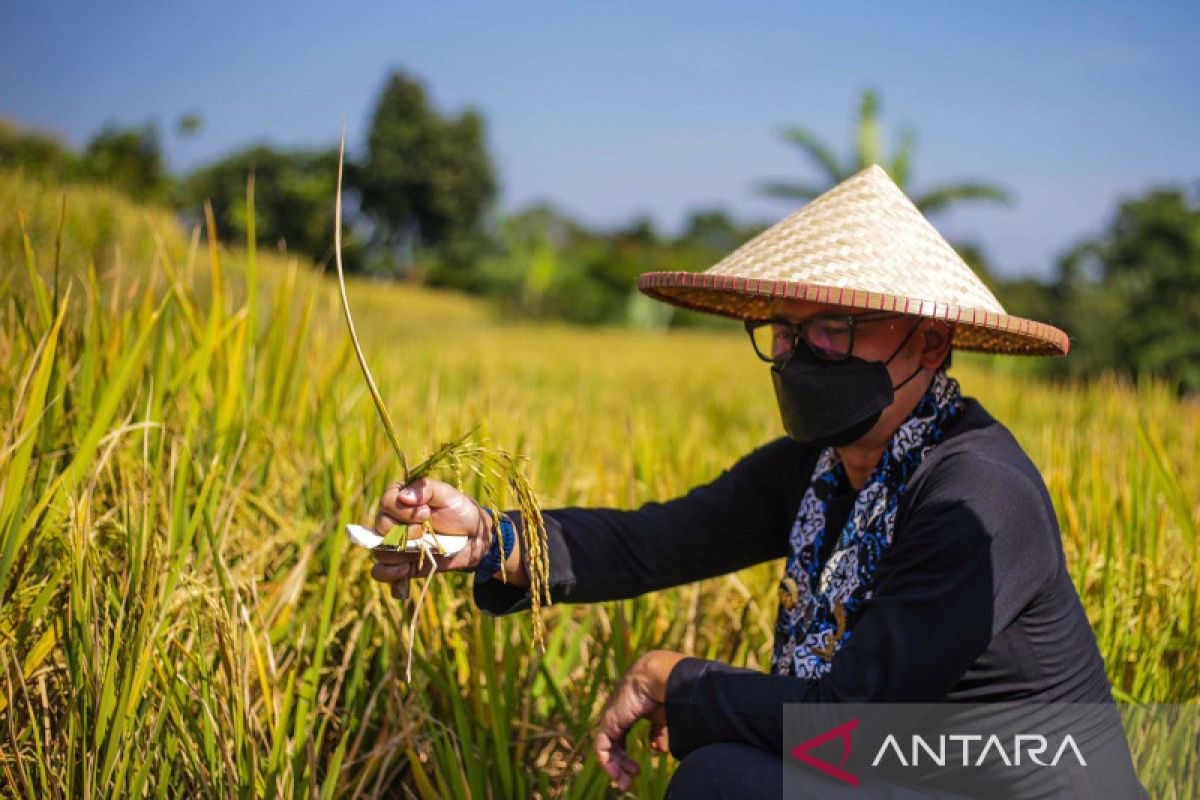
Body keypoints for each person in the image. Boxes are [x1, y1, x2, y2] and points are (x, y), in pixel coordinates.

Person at [367, 166, 1145, 798]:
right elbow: (654, 541)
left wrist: (677, 680)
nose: (804, 354)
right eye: (787, 330)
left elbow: (857, 719)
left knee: (726, 783)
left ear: (931, 344)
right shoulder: (822, 469)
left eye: (834, 329)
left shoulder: (976, 492)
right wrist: (486, 537)